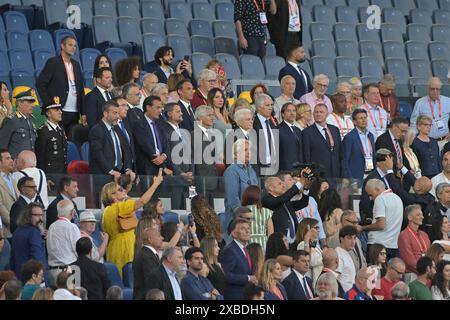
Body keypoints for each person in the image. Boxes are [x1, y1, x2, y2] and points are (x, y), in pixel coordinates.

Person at [101, 172, 163, 277]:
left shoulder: (109, 210)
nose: (124, 190)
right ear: (112, 195)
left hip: (117, 248)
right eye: (120, 190)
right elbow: (142, 201)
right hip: (124, 249)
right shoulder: (118, 208)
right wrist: (155, 184)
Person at [36, 36, 84, 134]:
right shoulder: (53, 62)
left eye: (75, 46)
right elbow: (40, 84)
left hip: (74, 111)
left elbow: (81, 89)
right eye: (70, 45)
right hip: (59, 110)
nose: (73, 48)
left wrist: (83, 112)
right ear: (62, 45)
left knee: (72, 142)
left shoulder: (76, 65)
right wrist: (49, 104)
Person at [89, 100, 135, 179]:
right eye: (114, 113)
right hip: (104, 175)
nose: (117, 116)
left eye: (117, 113)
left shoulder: (117, 128)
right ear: (105, 114)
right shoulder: (97, 130)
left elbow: (126, 150)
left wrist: (128, 169)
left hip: (120, 174)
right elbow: (98, 154)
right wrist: (110, 171)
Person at [261, 174, 309, 245]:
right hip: (279, 243)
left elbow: (303, 203)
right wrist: (300, 183)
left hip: (293, 243)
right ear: (271, 188)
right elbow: (283, 198)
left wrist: (305, 189)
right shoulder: (266, 200)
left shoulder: (285, 201)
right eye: (279, 184)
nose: (283, 186)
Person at [362, 178, 404, 260]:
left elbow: (381, 225)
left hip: (377, 245)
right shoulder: (398, 198)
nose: (370, 198)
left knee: (374, 271)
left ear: (377, 189)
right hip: (393, 246)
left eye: (371, 195)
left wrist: (363, 228)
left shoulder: (380, 199)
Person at [303, 103, 346, 178]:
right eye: (316, 112)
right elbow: (307, 156)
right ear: (313, 114)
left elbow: (340, 153)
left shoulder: (335, 130)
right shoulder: (307, 132)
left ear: (327, 114)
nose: (318, 114)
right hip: (318, 175)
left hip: (336, 174)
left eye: (321, 112)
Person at [46, 200, 81, 287]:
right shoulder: (72, 227)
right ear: (72, 212)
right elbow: (79, 250)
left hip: (52, 272)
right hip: (69, 271)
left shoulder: (51, 226)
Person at [224, 139, 258, 226]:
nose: (249, 152)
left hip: (252, 218)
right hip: (237, 220)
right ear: (236, 153)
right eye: (245, 150)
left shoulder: (252, 171)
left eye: (250, 150)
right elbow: (233, 199)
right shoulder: (231, 171)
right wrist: (244, 216)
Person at [134, 96, 171, 176]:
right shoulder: (139, 124)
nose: (160, 111)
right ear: (148, 107)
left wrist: (164, 156)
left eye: (161, 108)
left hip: (162, 167)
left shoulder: (160, 123)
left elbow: (167, 143)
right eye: (157, 107)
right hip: (147, 169)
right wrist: (163, 167)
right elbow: (146, 147)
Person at [219, 218, 256, 300]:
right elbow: (226, 275)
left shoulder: (245, 249)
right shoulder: (229, 250)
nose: (247, 231)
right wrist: (248, 278)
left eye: (248, 228)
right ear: (234, 233)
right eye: (243, 229)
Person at [410, 77, 450, 150]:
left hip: (445, 141)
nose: (435, 91)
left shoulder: (448, 101)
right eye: (432, 89)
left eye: (437, 89)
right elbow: (413, 123)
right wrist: (415, 141)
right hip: (426, 142)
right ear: (428, 89)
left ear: (440, 89)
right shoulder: (420, 103)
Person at [10, 203, 46, 282]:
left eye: (42, 215)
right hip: (34, 279)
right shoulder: (33, 232)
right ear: (28, 216)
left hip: (20, 278)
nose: (41, 219)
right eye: (37, 215)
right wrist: (42, 278)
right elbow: (37, 257)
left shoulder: (17, 231)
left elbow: (12, 258)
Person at [0, 89, 37, 159]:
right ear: (20, 103)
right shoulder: (11, 120)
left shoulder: (32, 120)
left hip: (29, 163)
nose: (33, 105)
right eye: (29, 102)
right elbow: (2, 144)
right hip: (15, 164)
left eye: (33, 102)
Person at [35, 97, 68, 174]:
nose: (60, 112)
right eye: (57, 110)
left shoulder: (61, 129)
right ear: (48, 113)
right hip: (50, 173)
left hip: (62, 171)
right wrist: (44, 176)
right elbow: (41, 157)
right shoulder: (43, 131)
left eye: (60, 110)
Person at [343, 109, 377, 180]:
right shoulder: (349, 137)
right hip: (356, 177)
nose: (363, 120)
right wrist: (350, 179)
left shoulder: (371, 136)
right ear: (354, 122)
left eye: (365, 118)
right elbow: (345, 161)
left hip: (371, 175)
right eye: (360, 118)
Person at [398, 204, 431, 276]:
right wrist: (424, 272)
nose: (422, 217)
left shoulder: (424, 235)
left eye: (422, 215)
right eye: (418, 215)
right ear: (410, 217)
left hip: (427, 273)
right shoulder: (404, 235)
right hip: (412, 274)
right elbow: (409, 261)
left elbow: (430, 254)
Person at [133, 221, 163, 298]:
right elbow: (152, 282)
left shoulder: (148, 254)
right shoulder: (147, 256)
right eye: (159, 236)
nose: (162, 238)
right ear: (150, 240)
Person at [241, 185, 273, 250]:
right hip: (263, 243)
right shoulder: (267, 211)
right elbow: (271, 233)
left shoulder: (242, 211)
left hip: (247, 242)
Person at [253, 94, 278, 173]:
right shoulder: (252, 123)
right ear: (259, 107)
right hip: (259, 168)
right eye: (267, 105)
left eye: (271, 105)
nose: (270, 107)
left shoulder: (273, 122)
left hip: (274, 167)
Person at [295, 218, 323, 287]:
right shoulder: (302, 244)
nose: (318, 230)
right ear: (307, 229)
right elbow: (308, 261)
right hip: (312, 283)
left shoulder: (316, 246)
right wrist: (307, 238)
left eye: (318, 228)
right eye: (316, 228)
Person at [115, 96, 137, 173]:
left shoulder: (127, 124)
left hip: (131, 167)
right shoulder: (112, 126)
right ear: (115, 108)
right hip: (119, 169)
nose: (127, 108)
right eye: (123, 105)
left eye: (127, 105)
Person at [278, 102, 303, 171]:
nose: (292, 113)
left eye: (294, 111)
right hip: (285, 170)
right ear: (283, 114)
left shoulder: (298, 130)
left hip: (299, 169)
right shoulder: (278, 129)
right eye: (288, 111)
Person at [0, 149, 19, 238]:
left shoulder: (12, 178)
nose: (12, 160)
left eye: (11, 158)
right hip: (7, 231)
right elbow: (0, 206)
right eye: (7, 158)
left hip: (18, 228)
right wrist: (13, 223)